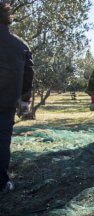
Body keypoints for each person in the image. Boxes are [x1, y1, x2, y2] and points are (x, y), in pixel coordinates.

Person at [0, 3, 34, 192]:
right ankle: (2, 183)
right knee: (2, 143)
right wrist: (25, 100)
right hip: (6, 103)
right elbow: (29, 73)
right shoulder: (20, 45)